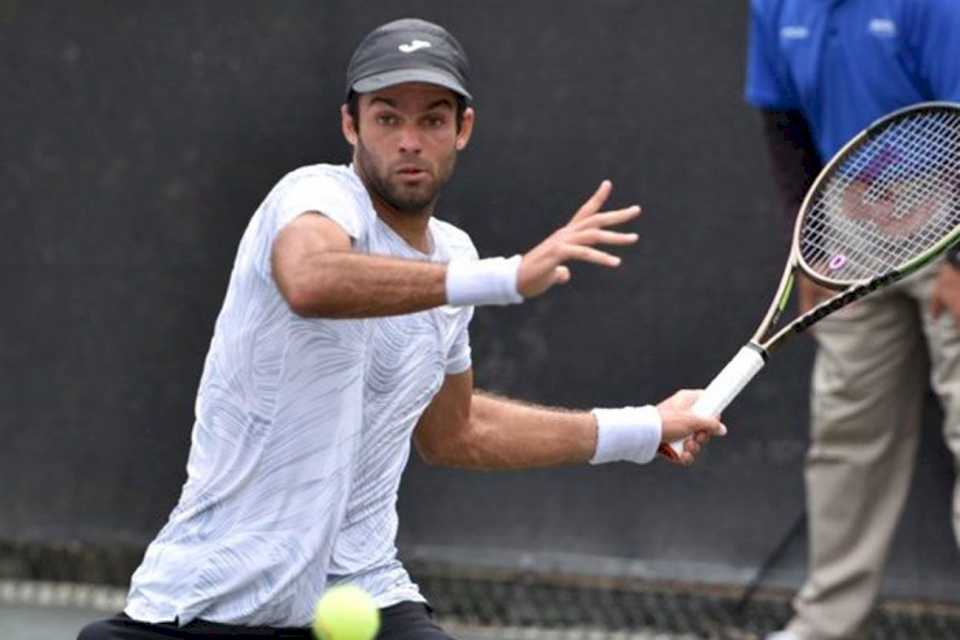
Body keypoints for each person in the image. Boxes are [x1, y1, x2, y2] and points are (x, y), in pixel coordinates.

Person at [78, 18, 725, 640]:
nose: (409, 140)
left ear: (462, 129)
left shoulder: (456, 252)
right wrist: (506, 278)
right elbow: (310, 280)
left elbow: (456, 430)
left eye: (431, 119)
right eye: (387, 117)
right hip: (215, 601)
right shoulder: (313, 197)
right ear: (350, 125)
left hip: (360, 589)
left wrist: (643, 427)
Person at [745, 2, 960, 639]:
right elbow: (780, 121)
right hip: (846, 219)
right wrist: (805, 248)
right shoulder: (773, 6)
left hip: (951, 208)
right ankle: (826, 626)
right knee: (845, 428)